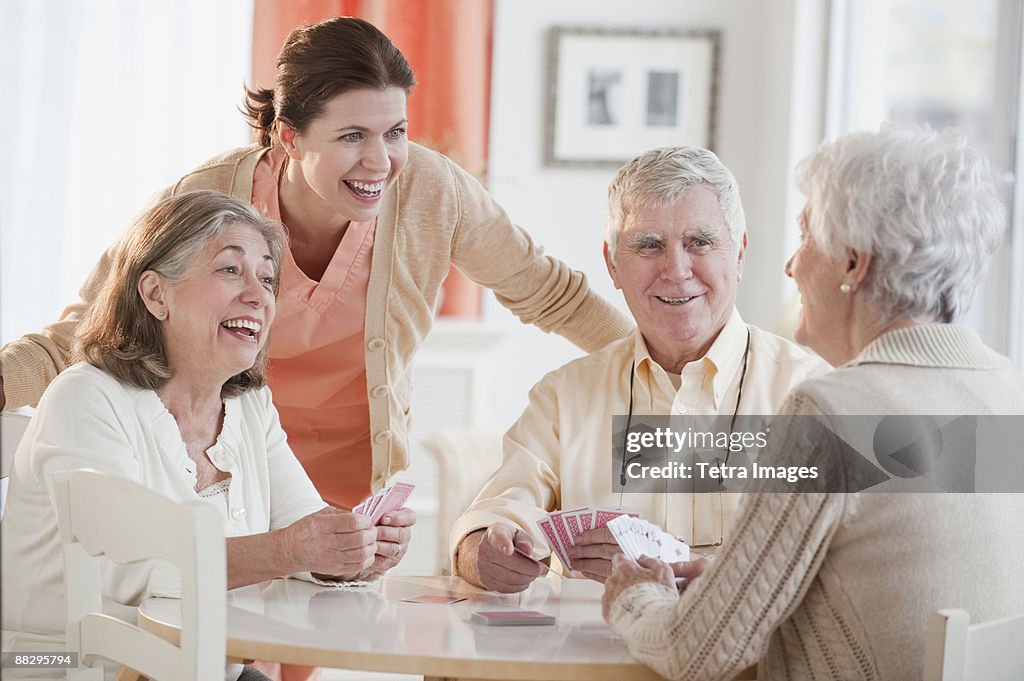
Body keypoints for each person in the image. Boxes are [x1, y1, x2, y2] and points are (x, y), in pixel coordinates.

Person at [0, 16, 633, 511]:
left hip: (346, 482)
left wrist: (665, 372)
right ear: (289, 136)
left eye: (396, 132)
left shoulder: (432, 194)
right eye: (352, 136)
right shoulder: (210, 197)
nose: (380, 161)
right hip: (220, 467)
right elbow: (88, 332)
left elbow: (553, 295)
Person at [601, 126, 1024, 680]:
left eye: (807, 237)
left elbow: (695, 653)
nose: (792, 265)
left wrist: (634, 596)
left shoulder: (832, 411)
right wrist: (734, 581)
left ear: (853, 264)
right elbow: (903, 572)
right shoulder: (1005, 390)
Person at [0, 191, 415, 681]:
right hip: (62, 664)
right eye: (229, 270)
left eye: (266, 277)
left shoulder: (249, 406)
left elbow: (302, 526)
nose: (259, 296)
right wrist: (291, 549)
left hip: (196, 665)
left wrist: (353, 549)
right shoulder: (86, 396)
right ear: (156, 295)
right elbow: (128, 568)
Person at [451, 146, 828, 593]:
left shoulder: (814, 391)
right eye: (649, 246)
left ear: (740, 253)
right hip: (584, 660)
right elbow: (494, 515)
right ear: (613, 263)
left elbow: (833, 571)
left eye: (700, 243)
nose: (677, 269)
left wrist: (672, 563)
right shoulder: (563, 396)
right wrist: (482, 555)